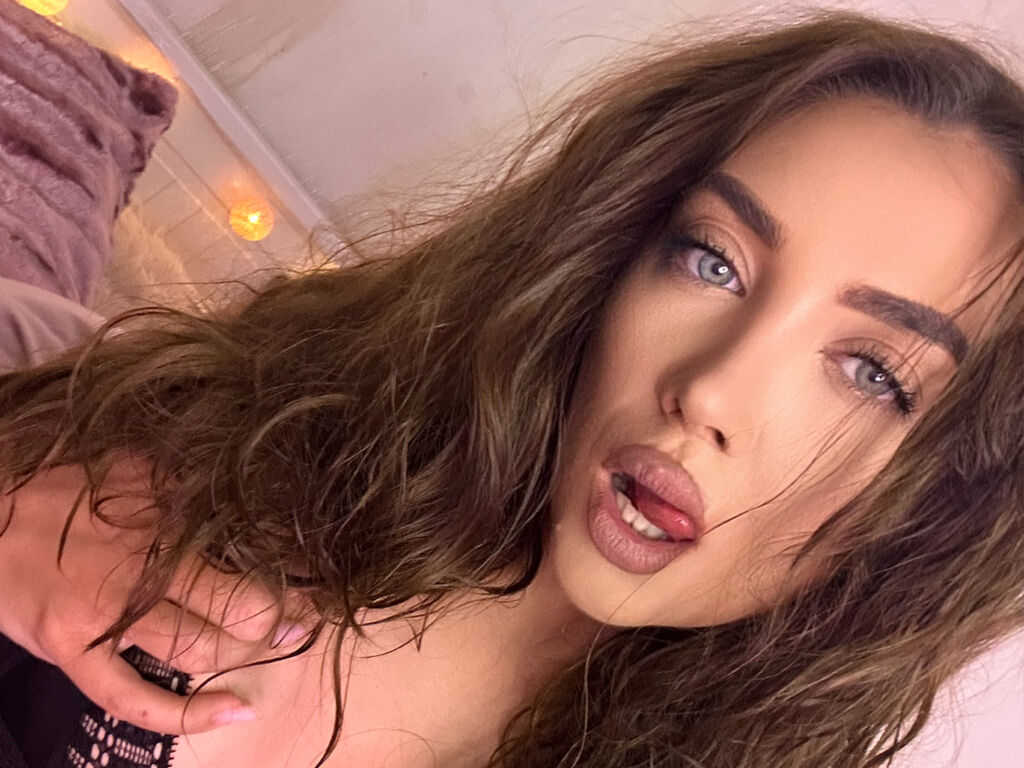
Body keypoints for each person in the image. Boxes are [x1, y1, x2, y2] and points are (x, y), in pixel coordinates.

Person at [0, 7, 1022, 768]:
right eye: (713, 261)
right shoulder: (222, 452)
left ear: (946, 510)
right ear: (611, 255)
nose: (710, 392)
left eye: (873, 373)